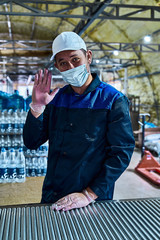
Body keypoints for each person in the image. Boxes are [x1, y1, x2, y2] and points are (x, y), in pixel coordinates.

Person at [23, 31, 135, 211]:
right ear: (57, 67)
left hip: (91, 200)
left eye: (75, 59)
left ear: (88, 56)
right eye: (63, 63)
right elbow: (31, 142)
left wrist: (89, 194)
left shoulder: (112, 100)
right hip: (53, 193)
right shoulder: (56, 99)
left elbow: (121, 154)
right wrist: (37, 107)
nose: (70, 67)